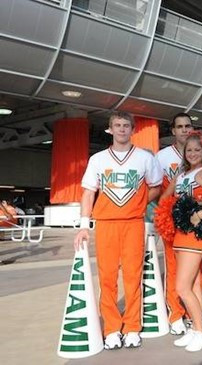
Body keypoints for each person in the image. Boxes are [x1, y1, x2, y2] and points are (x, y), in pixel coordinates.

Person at [74, 111, 163, 350]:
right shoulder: (98, 159)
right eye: (117, 125)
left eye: (126, 125)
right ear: (110, 129)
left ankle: (132, 326)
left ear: (133, 129)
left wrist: (140, 204)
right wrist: (84, 226)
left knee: (134, 276)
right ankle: (112, 328)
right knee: (107, 277)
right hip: (106, 224)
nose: (122, 129)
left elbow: (156, 186)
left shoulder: (145, 158)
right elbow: (88, 192)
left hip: (133, 223)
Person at [161, 133, 202, 352]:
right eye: (189, 150)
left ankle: (200, 332)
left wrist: (200, 215)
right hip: (180, 234)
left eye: (197, 150)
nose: (192, 154)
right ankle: (196, 329)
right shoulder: (181, 175)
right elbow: (165, 199)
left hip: (195, 236)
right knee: (192, 286)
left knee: (181, 286)